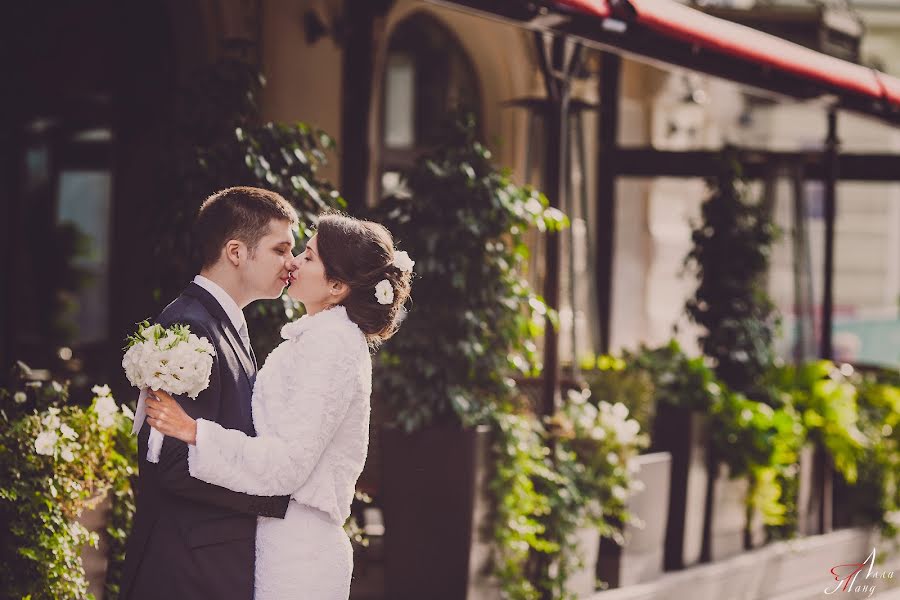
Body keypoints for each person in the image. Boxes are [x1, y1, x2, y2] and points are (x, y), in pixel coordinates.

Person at [145, 212, 413, 599]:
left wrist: (195, 432)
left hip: (299, 552)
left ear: (336, 285)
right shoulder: (317, 339)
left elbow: (288, 464)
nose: (294, 263)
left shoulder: (332, 345)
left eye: (308, 256)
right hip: (281, 538)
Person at [120, 187, 299, 600]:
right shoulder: (189, 327)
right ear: (236, 252)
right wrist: (271, 494)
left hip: (211, 564)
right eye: (281, 249)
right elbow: (172, 463)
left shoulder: (224, 324)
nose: (291, 264)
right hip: (186, 569)